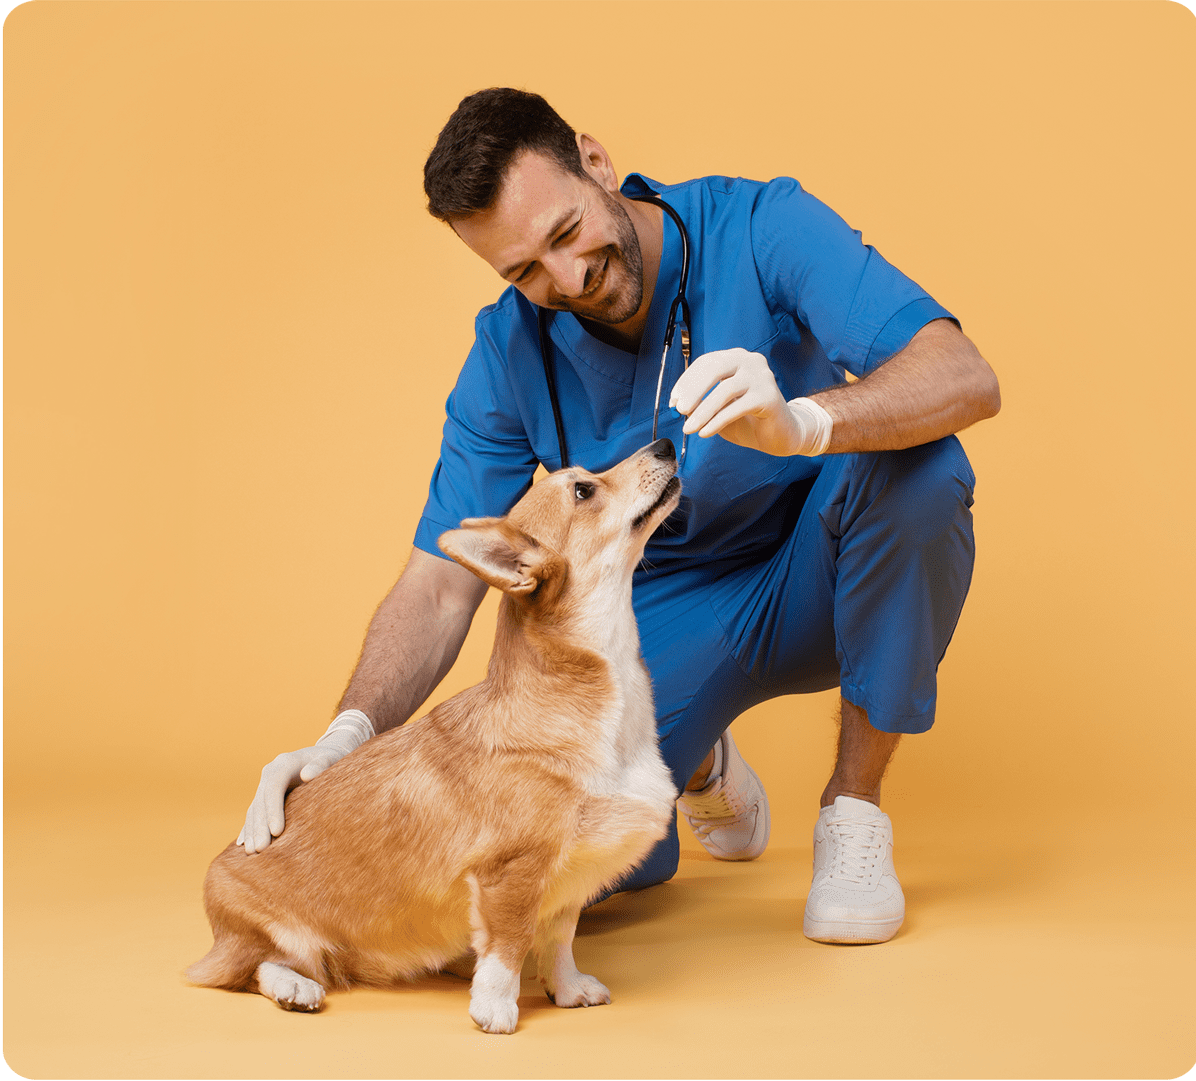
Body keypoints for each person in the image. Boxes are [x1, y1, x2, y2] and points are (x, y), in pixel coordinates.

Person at [238, 88, 1000, 944]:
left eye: (565, 233)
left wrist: (807, 422)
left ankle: (853, 810)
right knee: (554, 882)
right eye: (524, 270)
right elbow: (442, 584)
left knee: (924, 465)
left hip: (821, 570)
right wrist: (346, 740)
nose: (565, 281)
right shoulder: (507, 349)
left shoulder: (761, 225)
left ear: (596, 163)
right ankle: (699, 760)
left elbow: (962, 374)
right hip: (654, 623)